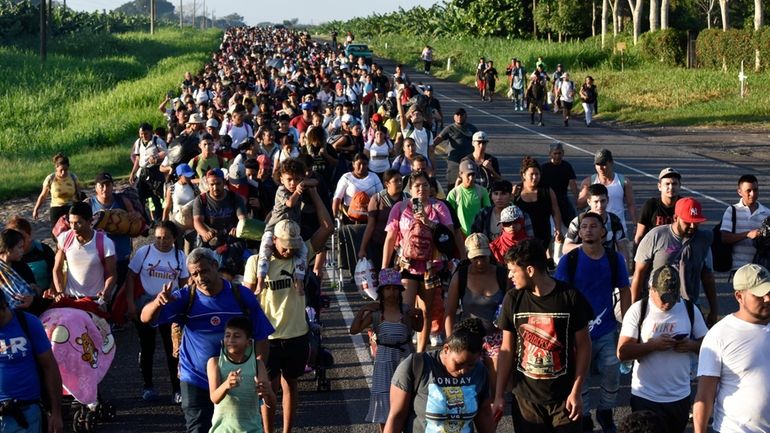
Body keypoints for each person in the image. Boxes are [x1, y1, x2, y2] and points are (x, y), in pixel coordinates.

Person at [140, 247, 274, 433]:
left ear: (215, 265)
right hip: (195, 377)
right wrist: (157, 302)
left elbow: (261, 336)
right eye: (194, 274)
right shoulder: (186, 296)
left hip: (234, 378)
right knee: (197, 429)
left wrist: (258, 371)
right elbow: (145, 318)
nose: (200, 277)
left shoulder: (241, 295)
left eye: (204, 271)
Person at [493, 239, 593, 433]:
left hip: (564, 400)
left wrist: (577, 391)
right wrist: (499, 395)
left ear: (530, 270)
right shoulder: (512, 299)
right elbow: (506, 349)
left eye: (513, 270)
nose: (510, 275)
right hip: (526, 401)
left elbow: (584, 346)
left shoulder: (570, 297)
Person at [554, 212, 630, 433]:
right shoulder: (570, 260)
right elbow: (559, 294)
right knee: (581, 377)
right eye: (584, 226)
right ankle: (585, 417)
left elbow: (624, 291)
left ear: (603, 232)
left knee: (611, 369)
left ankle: (606, 413)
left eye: (593, 226)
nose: (588, 230)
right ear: (579, 232)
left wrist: (627, 325)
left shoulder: (615, 259)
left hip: (606, 329)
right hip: (577, 332)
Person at [617, 265, 707, 433]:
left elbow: (710, 347)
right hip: (645, 396)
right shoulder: (639, 310)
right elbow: (622, 352)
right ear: (651, 289)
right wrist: (652, 346)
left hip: (679, 396)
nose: (668, 302)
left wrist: (691, 345)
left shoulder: (689, 309)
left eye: (673, 297)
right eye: (664, 297)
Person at [381, 171, 461, 353]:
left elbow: (448, 235)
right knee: (406, 309)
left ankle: (420, 353)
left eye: (425, 185)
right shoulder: (400, 208)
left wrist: (429, 223)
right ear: (410, 188)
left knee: (426, 312)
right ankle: (407, 347)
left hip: (431, 268)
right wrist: (384, 269)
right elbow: (391, 239)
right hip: (407, 266)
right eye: (417, 185)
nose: (421, 189)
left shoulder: (439, 207)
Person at [693, 263, 770, 433]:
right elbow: (705, 396)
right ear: (739, 296)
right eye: (759, 295)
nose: (767, 299)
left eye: (769, 293)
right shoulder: (719, 335)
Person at [384, 317, 496, 433]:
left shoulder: (480, 371)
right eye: (459, 364)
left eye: (471, 365)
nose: (464, 370)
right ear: (446, 348)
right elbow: (396, 417)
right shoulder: (416, 365)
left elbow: (484, 413)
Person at [123, 221, 188, 404]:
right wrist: (130, 304)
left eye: (166, 237)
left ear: (174, 238)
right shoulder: (144, 252)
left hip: (170, 305)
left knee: (172, 348)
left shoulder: (180, 256)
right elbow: (130, 277)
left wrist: (184, 309)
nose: (162, 241)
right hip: (146, 303)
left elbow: (184, 284)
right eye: (158, 237)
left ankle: (176, 389)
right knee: (147, 346)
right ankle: (148, 386)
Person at [349, 268, 421, 432]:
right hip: (384, 359)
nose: (392, 292)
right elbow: (354, 330)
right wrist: (363, 309)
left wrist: (420, 314)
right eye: (388, 288)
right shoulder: (376, 313)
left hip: (404, 357)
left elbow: (419, 327)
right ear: (381, 291)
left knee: (407, 398)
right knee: (384, 401)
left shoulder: (405, 309)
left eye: (395, 288)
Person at [630, 197, 718, 326]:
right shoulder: (656, 236)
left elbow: (707, 276)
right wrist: (634, 310)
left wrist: (714, 310)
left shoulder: (703, 240)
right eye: (688, 222)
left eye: (696, 222)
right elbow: (639, 273)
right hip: (658, 306)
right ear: (676, 217)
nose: (693, 226)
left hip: (690, 305)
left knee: (693, 344)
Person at [445, 234, 509, 394]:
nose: (480, 262)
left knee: (495, 388)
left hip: (496, 336)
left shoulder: (502, 274)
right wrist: (451, 342)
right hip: (469, 337)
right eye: (475, 258)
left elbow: (511, 310)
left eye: (483, 257)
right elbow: (450, 312)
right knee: (470, 388)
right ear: (468, 256)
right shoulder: (461, 276)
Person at [0, 292, 64, 433]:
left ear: (4, 306)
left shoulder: (28, 323)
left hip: (27, 414)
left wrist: (56, 413)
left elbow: (50, 367)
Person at [254, 159, 314, 296]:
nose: (293, 183)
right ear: (282, 179)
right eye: (289, 179)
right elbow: (290, 203)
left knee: (302, 252)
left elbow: (315, 182)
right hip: (275, 230)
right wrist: (298, 191)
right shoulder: (281, 190)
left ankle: (299, 280)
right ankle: (260, 280)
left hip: (292, 232)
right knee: (264, 251)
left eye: (297, 179)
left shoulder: (300, 185)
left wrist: (304, 183)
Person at [207, 316, 276, 433]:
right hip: (222, 430)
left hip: (252, 430)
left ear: (249, 342)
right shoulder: (214, 363)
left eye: (237, 336)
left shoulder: (257, 365)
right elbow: (214, 398)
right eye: (227, 335)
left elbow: (272, 403)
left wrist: (267, 391)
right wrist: (226, 385)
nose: (231, 340)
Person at [52, 202, 117, 302]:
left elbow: (112, 274)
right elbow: (57, 269)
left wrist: (106, 291)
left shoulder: (105, 243)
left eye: (78, 223)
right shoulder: (64, 239)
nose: (73, 227)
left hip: (94, 300)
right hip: (70, 298)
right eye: (71, 222)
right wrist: (60, 292)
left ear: (90, 221)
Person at [88, 171, 134, 291]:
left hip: (121, 254)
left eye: (108, 185)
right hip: (97, 257)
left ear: (112, 186)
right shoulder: (89, 204)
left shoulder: (122, 201)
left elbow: (135, 217)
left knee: (120, 289)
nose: (104, 189)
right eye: (101, 185)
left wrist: (134, 216)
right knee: (101, 290)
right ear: (96, 187)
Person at [513, 157, 563, 267]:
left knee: (538, 263)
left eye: (537, 174)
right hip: (523, 236)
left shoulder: (547, 191)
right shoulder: (516, 191)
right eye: (532, 174)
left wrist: (558, 228)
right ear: (524, 175)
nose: (535, 177)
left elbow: (555, 210)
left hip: (542, 235)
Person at [579, 149, 637, 237]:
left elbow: (631, 204)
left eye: (604, 164)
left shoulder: (623, 181)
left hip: (617, 229)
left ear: (611, 163)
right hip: (595, 230)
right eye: (598, 164)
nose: (600, 168)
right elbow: (580, 205)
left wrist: (635, 224)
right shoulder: (588, 182)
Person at [358, 169, 407, 272]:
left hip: (400, 247)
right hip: (379, 244)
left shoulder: (407, 199)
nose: (399, 183)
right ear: (387, 184)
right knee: (381, 276)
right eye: (395, 181)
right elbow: (370, 225)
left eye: (400, 180)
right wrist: (362, 248)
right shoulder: (377, 199)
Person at [720, 174, 770, 272]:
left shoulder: (767, 213)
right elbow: (725, 238)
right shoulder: (732, 211)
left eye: (755, 190)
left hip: (761, 269)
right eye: (748, 191)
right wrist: (748, 234)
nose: (752, 194)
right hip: (739, 269)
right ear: (739, 192)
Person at [32, 153, 82, 239]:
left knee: (72, 234)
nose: (63, 173)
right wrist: (36, 208)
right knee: (57, 235)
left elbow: (79, 193)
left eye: (65, 170)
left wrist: (80, 207)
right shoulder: (50, 179)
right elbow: (43, 195)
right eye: (61, 170)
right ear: (56, 168)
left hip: (70, 208)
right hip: (56, 208)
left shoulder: (73, 177)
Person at [129, 123, 168, 223]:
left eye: (145, 133)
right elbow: (138, 158)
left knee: (156, 196)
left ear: (151, 132)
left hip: (154, 171)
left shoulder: (157, 140)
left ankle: (158, 219)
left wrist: (156, 157)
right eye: (141, 134)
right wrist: (133, 172)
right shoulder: (138, 142)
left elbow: (165, 152)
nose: (143, 136)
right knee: (139, 195)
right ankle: (145, 220)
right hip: (143, 172)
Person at [635, 168, 682, 245]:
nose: (671, 187)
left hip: (679, 249)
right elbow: (639, 235)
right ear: (659, 186)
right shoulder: (650, 205)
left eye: (674, 184)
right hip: (655, 248)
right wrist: (635, 255)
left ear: (680, 186)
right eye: (667, 184)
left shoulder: (685, 205)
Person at [433, 108, 478, 190]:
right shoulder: (450, 128)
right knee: (452, 183)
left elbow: (479, 142)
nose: (459, 117)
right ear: (454, 116)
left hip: (468, 160)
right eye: (457, 115)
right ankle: (450, 200)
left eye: (461, 115)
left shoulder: (472, 128)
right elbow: (439, 138)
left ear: (466, 116)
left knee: (469, 181)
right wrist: (430, 147)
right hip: (454, 160)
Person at [332, 153, 383, 222]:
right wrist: (336, 218)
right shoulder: (346, 177)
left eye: (364, 164)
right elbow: (337, 198)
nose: (361, 167)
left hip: (370, 217)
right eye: (359, 164)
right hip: (349, 217)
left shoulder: (374, 176)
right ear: (353, 164)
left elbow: (381, 197)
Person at [540, 142, 578, 232]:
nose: (557, 156)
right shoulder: (544, 168)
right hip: (547, 200)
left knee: (573, 222)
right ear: (550, 154)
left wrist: (577, 199)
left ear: (563, 153)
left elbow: (572, 183)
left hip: (562, 199)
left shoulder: (567, 166)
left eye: (559, 153)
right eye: (555, 153)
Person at [447, 160, 491, 236]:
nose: (471, 178)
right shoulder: (454, 193)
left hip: (478, 236)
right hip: (461, 236)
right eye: (468, 175)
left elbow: (488, 213)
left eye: (473, 175)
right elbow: (448, 217)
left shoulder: (482, 191)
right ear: (460, 174)